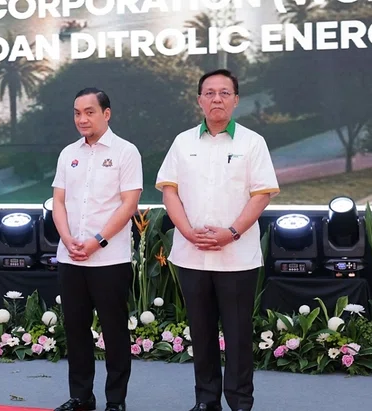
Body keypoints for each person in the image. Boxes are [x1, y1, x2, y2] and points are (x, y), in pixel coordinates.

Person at [156, 69, 279, 411]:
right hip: (191, 254)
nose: (217, 99)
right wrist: (186, 230)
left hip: (236, 256)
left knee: (238, 335)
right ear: (199, 100)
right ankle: (206, 401)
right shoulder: (183, 142)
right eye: (209, 93)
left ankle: (240, 403)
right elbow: (169, 191)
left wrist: (232, 232)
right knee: (201, 332)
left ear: (236, 100)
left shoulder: (252, 143)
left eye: (224, 93)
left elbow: (261, 194)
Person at [52, 88, 142, 411]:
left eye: (89, 112)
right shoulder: (68, 154)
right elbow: (58, 201)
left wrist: (97, 241)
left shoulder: (126, 152)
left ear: (106, 114)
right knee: (75, 330)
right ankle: (81, 396)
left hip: (109, 259)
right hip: (71, 258)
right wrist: (66, 238)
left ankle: (115, 400)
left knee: (114, 332)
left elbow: (129, 204)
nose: (82, 119)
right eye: (77, 113)